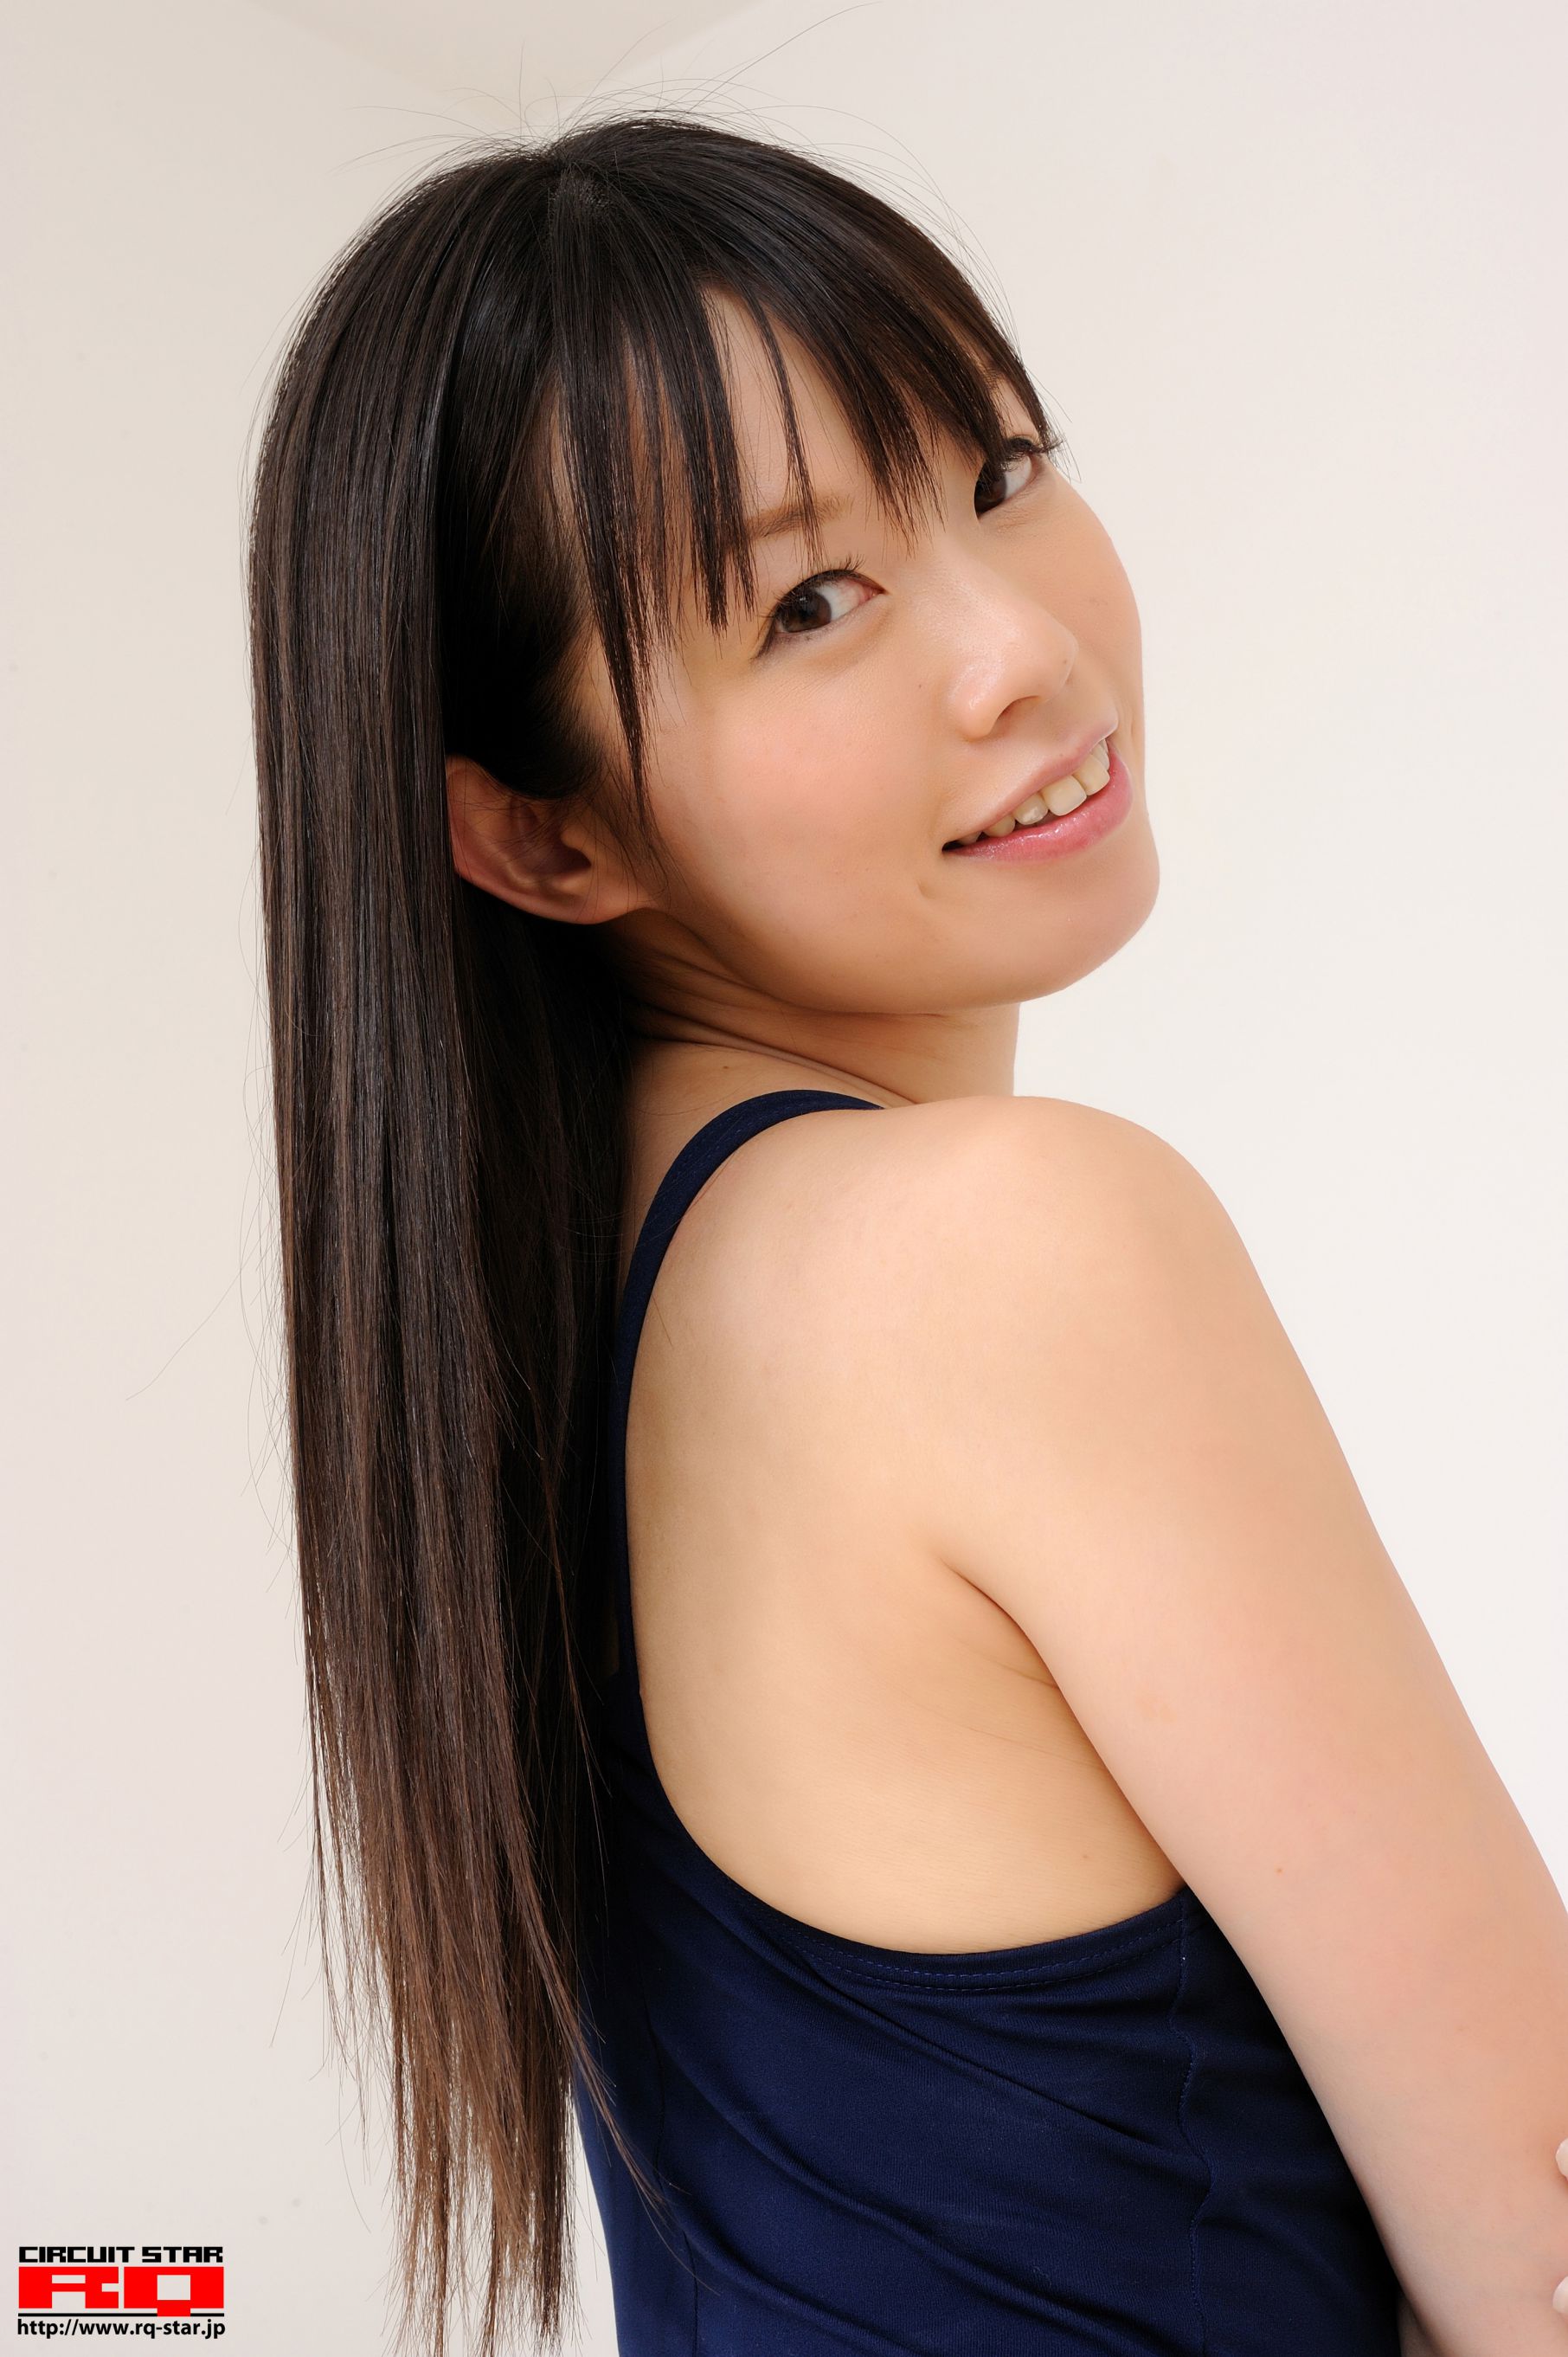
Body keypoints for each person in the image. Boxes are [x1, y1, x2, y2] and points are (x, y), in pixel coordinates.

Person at [245, 112, 1568, 2357]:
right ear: (547, 836)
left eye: (998, 469)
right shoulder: (997, 1254)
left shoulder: (554, 1336)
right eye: (808, 604)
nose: (1020, 646)